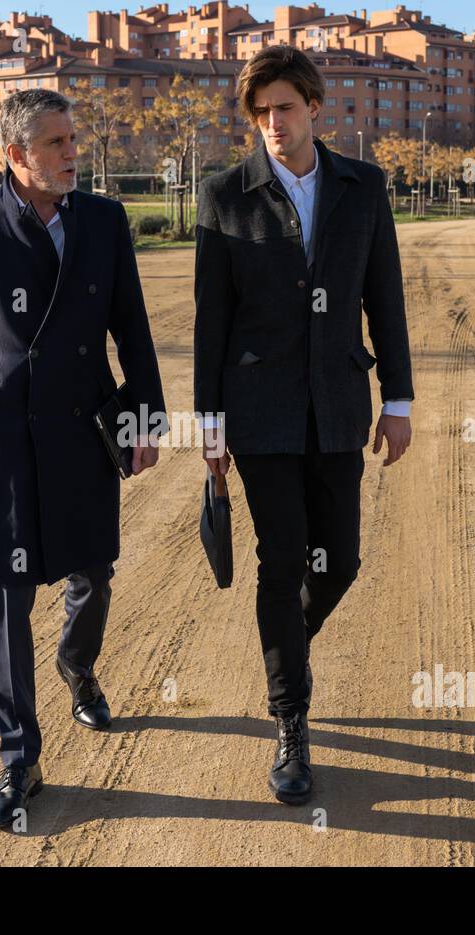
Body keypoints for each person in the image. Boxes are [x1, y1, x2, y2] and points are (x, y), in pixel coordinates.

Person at [0, 89, 165, 829]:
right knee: (6, 598)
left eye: (72, 140)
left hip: (85, 431)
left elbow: (133, 328)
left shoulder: (105, 221)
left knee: (94, 572)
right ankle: (19, 757)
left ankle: (77, 666)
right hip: (4, 443)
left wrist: (144, 417)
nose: (71, 154)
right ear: (16, 155)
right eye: (55, 143)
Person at [193, 45, 414, 805]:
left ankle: (286, 650)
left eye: (285, 108)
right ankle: (291, 722)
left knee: (340, 563)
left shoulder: (364, 187)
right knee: (281, 562)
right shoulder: (226, 194)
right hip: (259, 414)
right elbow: (211, 318)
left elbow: (384, 296)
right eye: (261, 114)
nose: (273, 124)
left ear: (315, 107)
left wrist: (400, 399)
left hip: (340, 407)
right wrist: (210, 423)